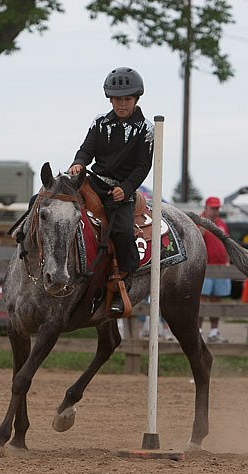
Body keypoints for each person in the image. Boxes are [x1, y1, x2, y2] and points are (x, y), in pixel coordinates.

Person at [68, 66, 154, 317]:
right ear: (110, 99)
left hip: (122, 188)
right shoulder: (100, 122)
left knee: (121, 231)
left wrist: (126, 189)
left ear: (136, 99)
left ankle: (123, 282)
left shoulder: (146, 129)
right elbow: (87, 149)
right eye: (117, 99)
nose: (121, 104)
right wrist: (79, 162)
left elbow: (142, 166)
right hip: (94, 181)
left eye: (126, 99)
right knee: (61, 207)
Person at [198, 196, 230, 343]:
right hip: (206, 266)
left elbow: (226, 242)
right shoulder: (199, 221)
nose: (215, 211)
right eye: (213, 208)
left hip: (221, 266)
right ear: (206, 208)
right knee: (202, 299)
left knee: (217, 300)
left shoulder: (221, 224)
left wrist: (228, 260)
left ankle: (214, 331)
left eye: (217, 208)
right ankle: (198, 330)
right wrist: (206, 223)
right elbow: (198, 238)